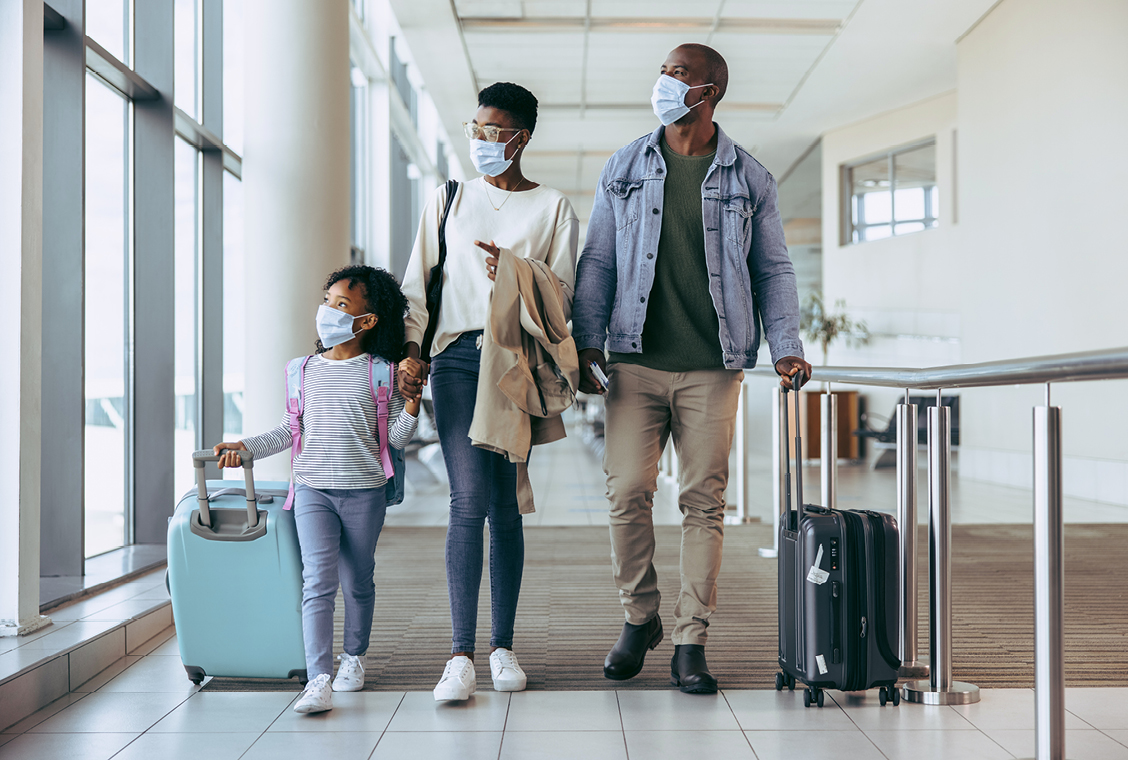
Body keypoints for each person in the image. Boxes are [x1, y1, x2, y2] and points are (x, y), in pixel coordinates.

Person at [572, 44, 813, 694]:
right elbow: (596, 261)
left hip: (714, 366)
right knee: (626, 494)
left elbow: (773, 269)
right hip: (633, 362)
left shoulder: (748, 177)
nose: (664, 81)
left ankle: (690, 639)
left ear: (708, 92)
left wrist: (786, 342)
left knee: (704, 504)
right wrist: (586, 340)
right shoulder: (625, 165)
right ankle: (639, 616)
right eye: (664, 70)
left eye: (678, 73)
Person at [398, 82, 579, 701]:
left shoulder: (552, 207)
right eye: (474, 129)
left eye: (490, 131)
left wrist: (518, 276)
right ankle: (460, 655)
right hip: (454, 361)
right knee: (466, 498)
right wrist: (410, 354)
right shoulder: (449, 198)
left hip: (516, 363)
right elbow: (416, 286)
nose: (478, 140)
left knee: (505, 503)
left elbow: (564, 299)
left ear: (520, 138)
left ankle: (503, 647)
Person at [212, 265, 422, 714]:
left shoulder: (381, 374)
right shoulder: (300, 371)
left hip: (365, 491)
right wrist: (245, 447)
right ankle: (318, 678)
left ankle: (354, 658)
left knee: (358, 579)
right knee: (318, 582)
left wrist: (412, 405)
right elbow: (290, 431)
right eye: (327, 301)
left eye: (341, 305)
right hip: (311, 492)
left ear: (367, 321)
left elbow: (398, 439)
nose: (327, 311)